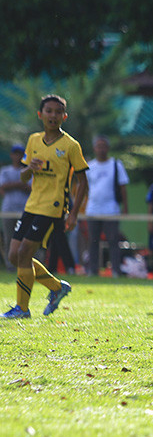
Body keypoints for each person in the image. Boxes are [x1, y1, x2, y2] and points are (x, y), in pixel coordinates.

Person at [4, 95, 88, 319]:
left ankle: (22, 309)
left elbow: (83, 182)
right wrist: (29, 168)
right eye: (48, 111)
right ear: (40, 115)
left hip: (54, 207)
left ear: (64, 116)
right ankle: (56, 287)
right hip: (32, 205)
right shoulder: (33, 140)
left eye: (58, 112)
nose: (53, 115)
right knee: (14, 256)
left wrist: (74, 215)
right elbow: (23, 178)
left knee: (24, 253)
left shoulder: (71, 145)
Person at [84, 135, 129, 277]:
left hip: (111, 208)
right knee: (93, 241)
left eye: (104, 146)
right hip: (93, 209)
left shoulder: (116, 164)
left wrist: (125, 207)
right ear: (94, 148)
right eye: (98, 146)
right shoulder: (90, 166)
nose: (101, 149)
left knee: (113, 239)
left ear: (108, 148)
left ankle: (115, 270)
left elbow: (122, 186)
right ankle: (93, 270)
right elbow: (85, 187)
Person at [1, 144, 31, 272]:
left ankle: (24, 264)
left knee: (24, 239)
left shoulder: (28, 170)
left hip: (24, 209)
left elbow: (30, 188)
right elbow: (2, 187)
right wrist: (19, 184)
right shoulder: (5, 171)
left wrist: (13, 185)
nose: (18, 157)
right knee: (9, 238)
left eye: (20, 154)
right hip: (8, 210)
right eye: (16, 154)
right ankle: (10, 266)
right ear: (12, 155)